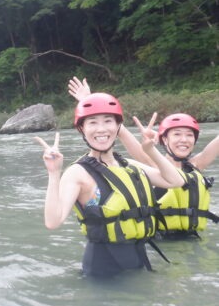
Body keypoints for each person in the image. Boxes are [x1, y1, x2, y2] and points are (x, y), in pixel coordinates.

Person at [35, 92, 185, 278]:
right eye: (92, 123)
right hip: (102, 270)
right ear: (81, 129)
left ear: (118, 126)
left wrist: (151, 150)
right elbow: (53, 221)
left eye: (108, 121)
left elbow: (176, 181)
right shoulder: (77, 172)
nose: (101, 129)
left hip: (137, 261)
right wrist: (53, 172)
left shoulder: (129, 165)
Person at [68, 77, 219, 239]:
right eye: (177, 134)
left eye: (189, 135)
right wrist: (89, 102)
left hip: (194, 238)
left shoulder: (196, 165)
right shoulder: (152, 165)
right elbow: (120, 132)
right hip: (162, 241)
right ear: (164, 139)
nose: (184, 140)